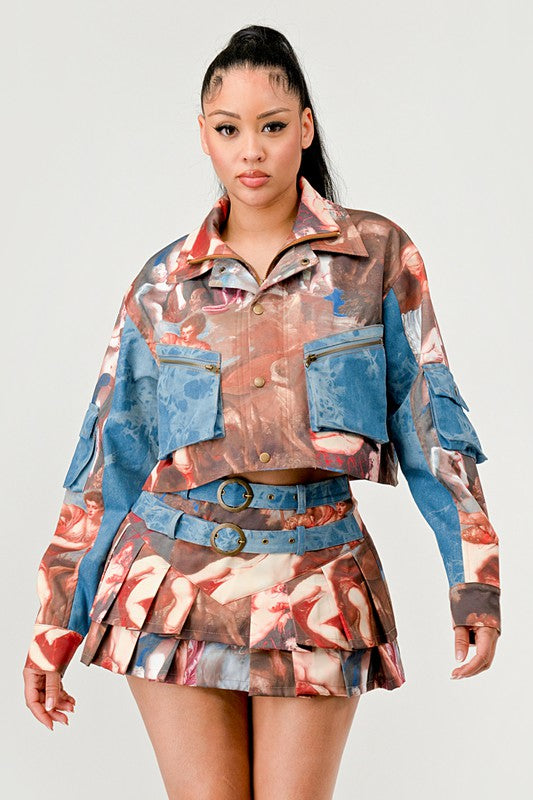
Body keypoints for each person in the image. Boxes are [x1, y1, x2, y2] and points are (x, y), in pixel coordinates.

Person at [22, 24, 501, 800]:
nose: (251, 151)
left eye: (272, 126)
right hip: (171, 579)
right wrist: (56, 621)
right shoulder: (164, 284)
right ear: (203, 136)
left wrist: (473, 579)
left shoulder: (376, 256)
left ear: (304, 128)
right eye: (227, 129)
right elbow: (111, 458)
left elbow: (430, 425)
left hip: (318, 574)